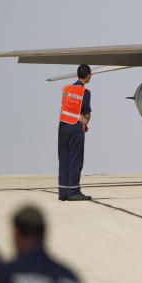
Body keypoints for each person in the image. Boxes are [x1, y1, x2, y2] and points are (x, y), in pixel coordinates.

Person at [58, 64, 93, 201]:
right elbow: (86, 113)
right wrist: (85, 124)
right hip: (75, 128)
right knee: (76, 160)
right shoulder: (85, 92)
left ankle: (63, 192)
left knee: (64, 159)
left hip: (62, 126)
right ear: (88, 75)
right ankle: (74, 191)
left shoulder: (66, 88)